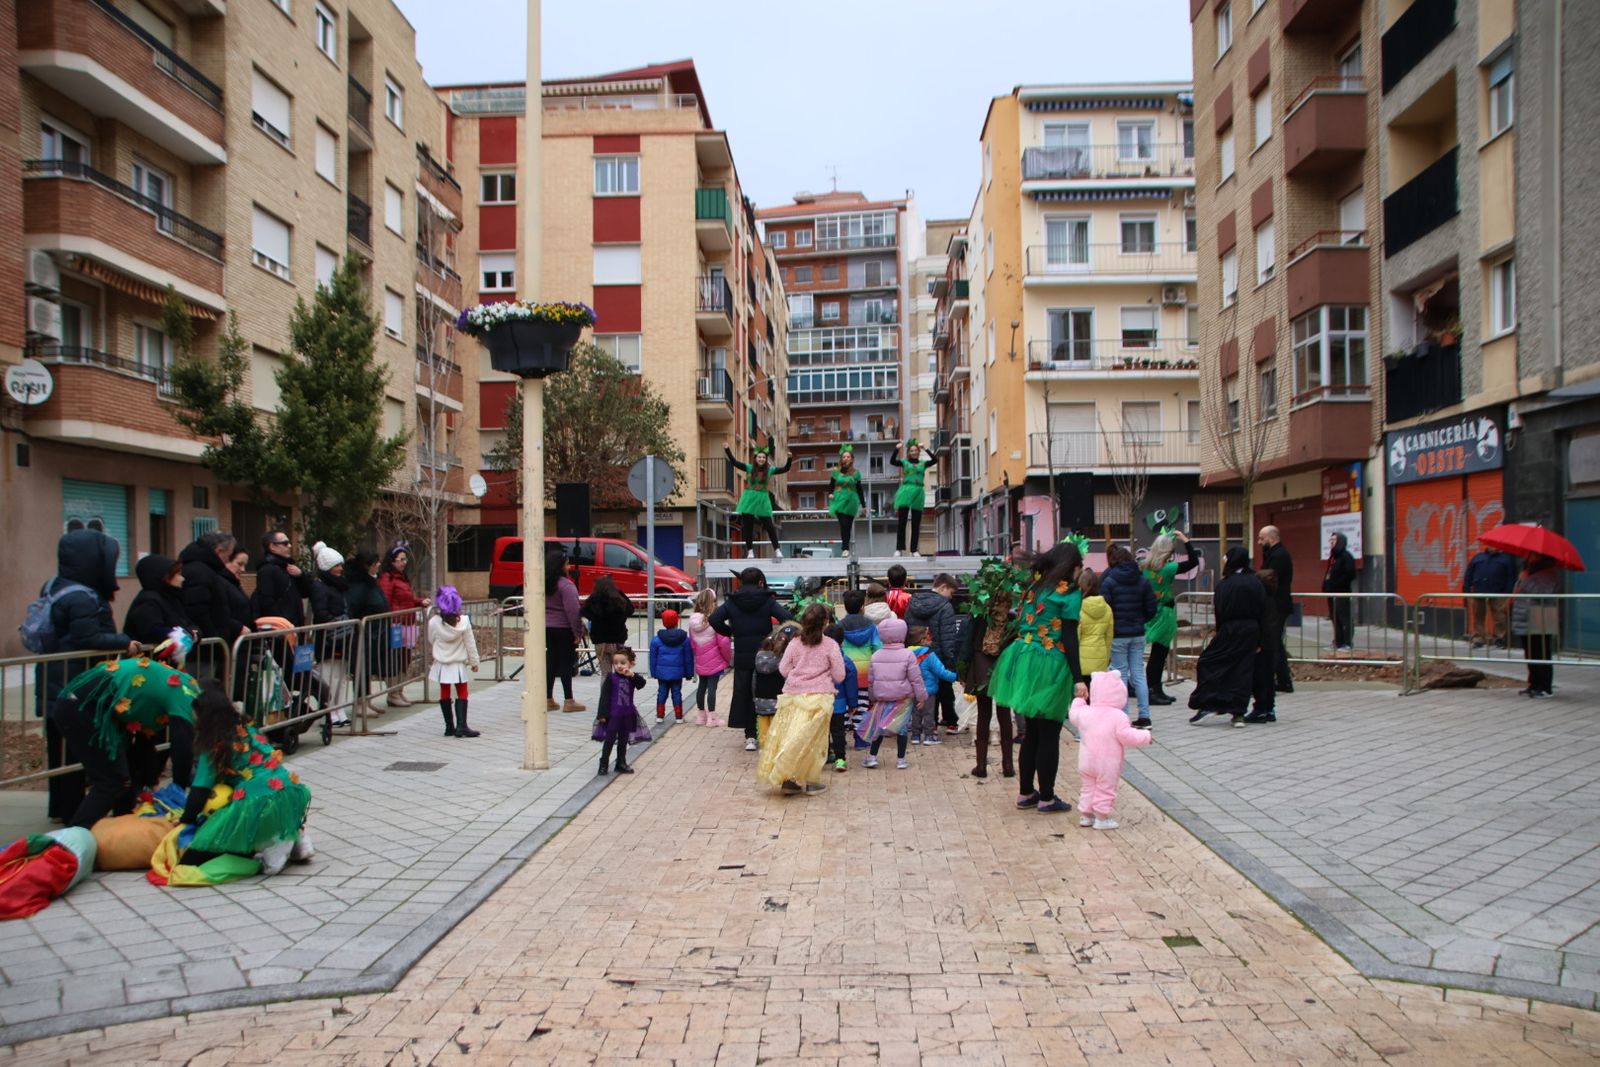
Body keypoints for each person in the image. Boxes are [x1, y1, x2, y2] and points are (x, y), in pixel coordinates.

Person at [34, 529, 140, 822]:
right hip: (76, 684)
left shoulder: (55, 585)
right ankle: (74, 812)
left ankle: (62, 808)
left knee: (62, 749)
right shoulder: (82, 596)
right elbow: (87, 637)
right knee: (78, 750)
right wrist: (123, 642)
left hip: (57, 680)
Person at [49, 634, 198, 829]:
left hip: (93, 706)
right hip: (81, 706)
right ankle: (72, 839)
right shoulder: (185, 700)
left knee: (127, 771)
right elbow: (181, 748)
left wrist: (151, 779)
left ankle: (123, 826)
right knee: (112, 781)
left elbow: (144, 744)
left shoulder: (187, 686)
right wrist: (180, 794)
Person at [177, 680, 312, 877]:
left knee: (193, 858)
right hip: (290, 790)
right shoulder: (247, 727)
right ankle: (294, 835)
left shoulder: (213, 741)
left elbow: (200, 789)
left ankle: (276, 844)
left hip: (259, 801)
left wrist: (185, 820)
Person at [987, 543, 1084, 814]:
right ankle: (1048, 798)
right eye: (1079, 565)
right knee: (1050, 734)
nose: (1080, 571)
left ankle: (1026, 793)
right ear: (1070, 566)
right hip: (1049, 662)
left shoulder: (1034, 587)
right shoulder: (1069, 593)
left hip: (1023, 656)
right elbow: (1069, 638)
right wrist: (1079, 678)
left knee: (1031, 733)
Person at [759, 603, 845, 795]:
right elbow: (839, 675)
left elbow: (783, 669)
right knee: (815, 741)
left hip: (793, 697)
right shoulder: (830, 644)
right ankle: (812, 781)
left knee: (791, 736)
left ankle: (789, 780)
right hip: (820, 698)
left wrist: (797, 677)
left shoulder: (795, 643)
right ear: (825, 623)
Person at [709, 567, 794, 751]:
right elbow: (787, 618)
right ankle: (770, 731)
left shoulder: (733, 602)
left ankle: (750, 736)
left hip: (742, 656)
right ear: (760, 582)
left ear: (741, 582)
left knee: (745, 694)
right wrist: (775, 636)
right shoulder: (767, 600)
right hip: (765, 655)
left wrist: (730, 632)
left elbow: (714, 619)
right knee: (766, 693)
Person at [1188, 548, 1267, 726]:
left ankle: (1209, 701)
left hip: (1230, 628)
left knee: (1209, 661)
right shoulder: (1255, 582)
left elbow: (1220, 610)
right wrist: (1261, 637)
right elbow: (1263, 610)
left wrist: (1220, 630)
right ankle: (1238, 712)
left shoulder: (1226, 584)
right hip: (1251, 629)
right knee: (1243, 669)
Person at [963, 558, 1024, 780]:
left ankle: (981, 765)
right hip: (1005, 665)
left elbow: (968, 641)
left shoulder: (980, 614)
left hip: (981, 664)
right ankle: (1008, 765)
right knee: (1004, 713)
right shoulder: (1012, 617)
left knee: (983, 715)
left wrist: (963, 667)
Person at [1069, 670, 1152, 830]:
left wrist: (1079, 700)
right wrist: (1145, 736)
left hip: (1086, 760)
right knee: (1105, 788)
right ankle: (1101, 818)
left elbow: (1073, 715)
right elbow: (1127, 736)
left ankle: (1086, 816)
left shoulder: (1086, 712)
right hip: (1107, 763)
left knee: (1088, 786)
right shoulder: (1118, 716)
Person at [1099, 544, 1157, 727]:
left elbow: (1105, 610)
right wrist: (1140, 620)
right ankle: (1145, 716)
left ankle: (1122, 716)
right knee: (1139, 674)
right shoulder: (1143, 580)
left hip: (1118, 634)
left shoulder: (1108, 581)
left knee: (1120, 674)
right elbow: (1151, 608)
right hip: (1138, 632)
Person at [1143, 531, 1201, 705]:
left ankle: (1155, 688)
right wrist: (1186, 540)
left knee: (1156, 653)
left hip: (1151, 611)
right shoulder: (1167, 569)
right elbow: (1193, 562)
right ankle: (1153, 690)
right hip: (1165, 613)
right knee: (1159, 654)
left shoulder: (1144, 567)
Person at [863, 617, 926, 770]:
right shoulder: (908, 655)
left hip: (882, 698)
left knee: (878, 727)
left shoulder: (876, 655)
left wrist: (872, 696)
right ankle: (901, 760)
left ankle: (872, 757)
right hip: (903, 699)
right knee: (902, 729)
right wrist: (922, 696)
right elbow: (916, 678)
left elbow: (871, 680)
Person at [905, 573, 962, 735]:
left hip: (916, 656)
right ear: (943, 587)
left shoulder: (913, 602)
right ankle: (950, 721)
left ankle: (927, 723)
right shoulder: (945, 607)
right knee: (944, 689)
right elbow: (948, 637)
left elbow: (908, 630)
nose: (951, 597)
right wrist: (951, 664)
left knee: (922, 690)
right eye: (951, 593)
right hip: (938, 657)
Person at [377, 543, 430, 707]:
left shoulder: (402, 578)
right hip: (396, 625)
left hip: (408, 622)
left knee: (404, 659)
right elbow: (385, 601)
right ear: (392, 561)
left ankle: (399, 690)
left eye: (405, 559)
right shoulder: (388, 578)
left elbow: (406, 599)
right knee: (395, 659)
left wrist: (420, 601)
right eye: (400, 559)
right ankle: (393, 692)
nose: (404, 562)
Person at [308, 543, 354, 729]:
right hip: (328, 639)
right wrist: (334, 621)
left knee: (341, 676)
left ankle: (339, 708)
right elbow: (320, 612)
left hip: (342, 637)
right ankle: (329, 711)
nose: (340, 569)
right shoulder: (319, 587)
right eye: (336, 566)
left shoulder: (340, 586)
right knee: (330, 676)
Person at [428, 586, 481, 737]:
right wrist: (474, 662)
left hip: (442, 663)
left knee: (444, 692)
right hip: (458, 663)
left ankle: (449, 726)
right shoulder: (464, 621)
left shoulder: (434, 622)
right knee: (462, 691)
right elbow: (470, 643)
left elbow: (431, 639)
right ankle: (462, 725)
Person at [725, 440, 792, 559]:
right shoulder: (749, 468)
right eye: (759, 457)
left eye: (763, 457)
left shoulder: (770, 470)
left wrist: (790, 459)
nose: (761, 459)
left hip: (762, 499)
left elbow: (785, 469)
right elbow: (734, 462)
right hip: (749, 498)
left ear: (766, 460)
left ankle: (777, 550)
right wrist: (727, 449)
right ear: (755, 458)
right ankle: (750, 551)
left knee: (769, 525)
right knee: (747, 526)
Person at [344, 550, 390, 719]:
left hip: (374, 633)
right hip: (362, 633)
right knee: (361, 669)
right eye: (375, 562)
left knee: (369, 668)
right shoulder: (357, 585)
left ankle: (367, 700)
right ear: (366, 565)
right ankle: (359, 703)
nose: (378, 565)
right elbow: (353, 609)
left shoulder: (370, 581)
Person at [544, 545, 586, 713]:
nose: (569, 567)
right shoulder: (566, 586)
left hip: (547, 627)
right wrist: (578, 632)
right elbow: (573, 610)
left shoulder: (544, 584)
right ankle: (569, 700)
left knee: (551, 662)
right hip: (563, 628)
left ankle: (548, 698)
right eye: (567, 564)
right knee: (566, 664)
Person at [1511, 554, 1561, 698]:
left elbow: (1542, 593)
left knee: (1541, 651)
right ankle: (1533, 683)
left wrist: (1524, 581)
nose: (1530, 560)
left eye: (1534, 558)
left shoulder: (1548, 574)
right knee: (1531, 651)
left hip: (1541, 616)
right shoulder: (1531, 573)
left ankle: (1544, 686)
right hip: (1526, 616)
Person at [123, 554, 197, 648]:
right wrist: (181, 634)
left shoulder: (172, 598)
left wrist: (192, 634)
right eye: (178, 574)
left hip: (168, 659)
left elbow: (189, 624)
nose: (183, 578)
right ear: (164, 577)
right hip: (147, 660)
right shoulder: (148, 601)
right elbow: (152, 631)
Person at [837, 590, 880, 748]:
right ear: (863, 606)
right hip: (864, 674)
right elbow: (877, 648)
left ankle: (840, 739)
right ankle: (860, 739)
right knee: (862, 706)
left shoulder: (839, 626)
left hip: (844, 672)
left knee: (844, 705)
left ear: (845, 608)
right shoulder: (871, 627)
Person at [594, 648, 646, 774]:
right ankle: (603, 764)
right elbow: (604, 696)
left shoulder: (632, 678)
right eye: (616, 663)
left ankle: (621, 762)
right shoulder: (611, 678)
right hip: (613, 714)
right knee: (610, 739)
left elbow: (641, 683)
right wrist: (602, 714)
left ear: (631, 664)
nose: (619, 666)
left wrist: (632, 675)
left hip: (627, 713)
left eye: (622, 663)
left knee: (623, 739)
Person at [1257, 526, 1295, 692]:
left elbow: (1269, 578)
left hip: (1277, 605)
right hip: (1275, 604)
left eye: (1261, 539)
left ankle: (1278, 679)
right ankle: (1283, 679)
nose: (1259, 542)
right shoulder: (1274, 554)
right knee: (1276, 643)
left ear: (1272, 538)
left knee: (1273, 643)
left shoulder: (1279, 556)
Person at [908, 625, 958, 746]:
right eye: (928, 637)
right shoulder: (929, 656)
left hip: (913, 690)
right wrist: (954, 676)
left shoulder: (907, 655)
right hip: (928, 691)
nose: (930, 639)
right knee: (928, 713)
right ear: (922, 641)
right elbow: (940, 672)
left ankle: (915, 735)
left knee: (915, 712)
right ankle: (929, 736)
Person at [687, 590, 731, 727]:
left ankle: (701, 716)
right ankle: (712, 718)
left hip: (700, 659)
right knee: (712, 688)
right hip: (715, 659)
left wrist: (697, 655)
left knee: (701, 686)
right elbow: (723, 643)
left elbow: (692, 642)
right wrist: (728, 658)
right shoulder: (715, 621)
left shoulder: (692, 621)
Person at [1464, 543, 1518, 649]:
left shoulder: (1506, 559)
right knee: (1478, 616)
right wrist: (1466, 590)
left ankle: (1499, 639)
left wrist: (1508, 593)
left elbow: (1511, 577)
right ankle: (1478, 638)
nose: (1493, 547)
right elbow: (1469, 574)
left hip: (1499, 592)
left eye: (1495, 545)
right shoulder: (1478, 557)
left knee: (1500, 617)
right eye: (1490, 545)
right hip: (1479, 591)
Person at [252, 530, 312, 625]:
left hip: (294, 626)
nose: (289, 546)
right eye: (285, 543)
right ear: (272, 547)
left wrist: (300, 575)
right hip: (281, 628)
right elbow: (266, 601)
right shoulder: (267, 570)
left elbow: (305, 592)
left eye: (289, 543)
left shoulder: (289, 567)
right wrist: (281, 624)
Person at [1247, 569, 1283, 725]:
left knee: (1260, 677)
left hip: (1263, 645)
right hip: (1271, 644)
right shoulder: (1272, 600)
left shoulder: (1262, 603)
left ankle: (1260, 708)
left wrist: (1258, 643)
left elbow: (1263, 625)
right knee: (1268, 677)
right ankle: (1269, 708)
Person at [582, 575, 634, 677]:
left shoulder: (594, 599)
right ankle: (619, 692)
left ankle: (605, 692)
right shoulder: (618, 598)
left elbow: (584, 611)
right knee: (621, 672)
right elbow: (630, 609)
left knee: (605, 674)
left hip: (600, 641)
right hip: (617, 640)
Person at [823, 623, 858, 773]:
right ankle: (840, 759)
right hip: (839, 702)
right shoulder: (846, 661)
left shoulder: (819, 660)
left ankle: (824, 756)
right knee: (838, 731)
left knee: (822, 731)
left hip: (821, 701)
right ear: (842, 641)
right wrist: (852, 703)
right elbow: (851, 685)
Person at [648, 609, 694, 722]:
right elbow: (688, 658)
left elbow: (652, 658)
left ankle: (659, 715)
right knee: (677, 692)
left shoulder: (656, 640)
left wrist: (654, 672)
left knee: (662, 692)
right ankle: (678, 716)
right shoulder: (684, 639)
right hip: (677, 673)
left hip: (662, 673)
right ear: (677, 621)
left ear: (663, 622)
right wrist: (689, 673)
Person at [889, 439, 933, 557]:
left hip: (918, 492)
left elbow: (935, 460)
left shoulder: (923, 463)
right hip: (906, 491)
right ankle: (899, 548)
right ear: (908, 452)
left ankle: (914, 550)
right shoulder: (904, 462)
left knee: (916, 523)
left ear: (918, 452)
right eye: (911, 450)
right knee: (902, 522)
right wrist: (897, 448)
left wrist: (925, 448)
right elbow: (892, 461)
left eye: (915, 450)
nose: (913, 452)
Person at [751, 630, 788, 750]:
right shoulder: (783, 660)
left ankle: (764, 747)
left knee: (763, 726)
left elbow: (754, 680)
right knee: (776, 727)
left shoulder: (758, 657)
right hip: (777, 699)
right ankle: (775, 748)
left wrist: (754, 696)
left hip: (760, 697)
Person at [828, 444, 865, 557]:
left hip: (851, 501)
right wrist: (830, 493)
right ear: (841, 459)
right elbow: (831, 484)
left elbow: (859, 489)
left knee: (848, 525)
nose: (846, 459)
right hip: (839, 499)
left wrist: (864, 505)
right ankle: (844, 548)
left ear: (852, 458)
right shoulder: (836, 471)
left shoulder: (856, 473)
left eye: (848, 457)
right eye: (844, 457)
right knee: (843, 524)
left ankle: (846, 548)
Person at [1323, 532, 1357, 652]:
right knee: (1334, 618)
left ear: (1340, 542)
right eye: (1330, 539)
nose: (1331, 542)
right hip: (1331, 593)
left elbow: (1350, 574)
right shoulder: (1333, 557)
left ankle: (1347, 643)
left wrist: (1337, 584)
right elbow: (1329, 573)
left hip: (1341, 592)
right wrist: (1326, 586)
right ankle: (1338, 642)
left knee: (1345, 618)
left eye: (1334, 540)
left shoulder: (1346, 556)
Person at [1077, 569, 1113, 677]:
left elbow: (1076, 636)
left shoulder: (1078, 608)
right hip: (1100, 659)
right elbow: (1109, 636)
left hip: (1081, 659)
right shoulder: (1107, 608)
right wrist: (1106, 658)